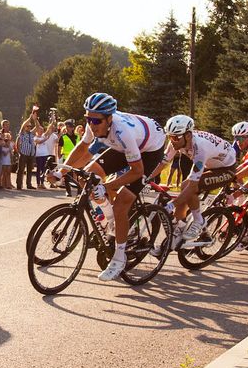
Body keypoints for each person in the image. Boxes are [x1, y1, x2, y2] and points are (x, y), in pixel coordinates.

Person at [57, 92, 167, 281]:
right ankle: (110, 219)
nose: (91, 124)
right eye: (87, 119)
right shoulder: (97, 122)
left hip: (149, 151)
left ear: (109, 118)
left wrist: (109, 184)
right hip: (128, 145)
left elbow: (137, 171)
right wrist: (61, 171)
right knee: (89, 173)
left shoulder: (122, 132)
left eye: (96, 121)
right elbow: (83, 149)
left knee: (121, 204)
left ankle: (119, 256)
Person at [150, 115, 239, 252]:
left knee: (187, 186)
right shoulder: (177, 140)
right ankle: (174, 238)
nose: (172, 141)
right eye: (170, 136)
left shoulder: (200, 147)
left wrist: (171, 205)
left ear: (188, 135)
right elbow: (163, 163)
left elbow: (192, 185)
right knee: (183, 197)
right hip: (211, 163)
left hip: (226, 169)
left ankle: (199, 221)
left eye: (176, 137)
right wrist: (147, 177)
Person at [16, 115, 38, 190]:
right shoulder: (22, 133)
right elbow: (23, 125)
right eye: (27, 126)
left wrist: (35, 120)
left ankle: (29, 184)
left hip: (31, 154)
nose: (29, 127)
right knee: (21, 170)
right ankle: (19, 185)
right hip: (24, 154)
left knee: (29, 170)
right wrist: (30, 118)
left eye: (30, 127)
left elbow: (37, 127)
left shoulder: (31, 133)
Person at [34, 123, 58, 188]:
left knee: (43, 170)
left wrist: (52, 121)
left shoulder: (44, 135)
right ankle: (38, 184)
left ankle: (42, 183)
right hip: (39, 156)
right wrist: (45, 139)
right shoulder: (35, 137)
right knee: (39, 170)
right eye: (40, 130)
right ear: (37, 131)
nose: (42, 131)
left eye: (42, 130)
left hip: (45, 155)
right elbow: (39, 142)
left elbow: (49, 130)